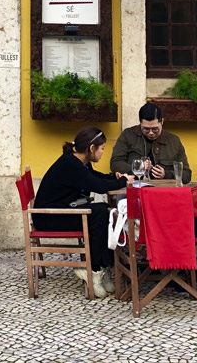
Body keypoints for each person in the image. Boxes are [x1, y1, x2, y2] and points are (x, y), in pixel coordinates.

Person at [33, 127, 133, 298]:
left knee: (104, 212)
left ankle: (102, 267)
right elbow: (98, 187)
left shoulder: (79, 162)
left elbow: (96, 178)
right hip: (49, 217)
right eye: (101, 149)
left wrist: (114, 178)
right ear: (91, 148)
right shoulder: (71, 165)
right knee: (101, 213)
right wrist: (123, 181)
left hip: (61, 211)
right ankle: (92, 270)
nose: (103, 153)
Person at [110, 101, 192, 183]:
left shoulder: (174, 141)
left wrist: (166, 174)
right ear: (140, 123)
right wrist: (139, 168)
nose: (151, 133)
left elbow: (187, 175)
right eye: (146, 129)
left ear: (162, 122)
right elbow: (115, 163)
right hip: (135, 187)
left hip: (164, 191)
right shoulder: (127, 135)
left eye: (155, 129)